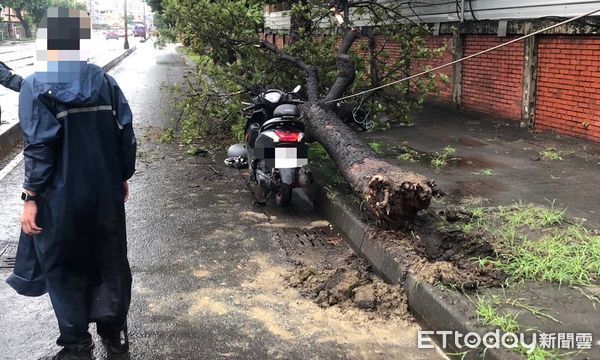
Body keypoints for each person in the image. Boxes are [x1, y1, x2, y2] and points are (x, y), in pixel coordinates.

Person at [5, 8, 137, 360]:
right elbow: (126, 133)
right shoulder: (104, 81)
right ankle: (114, 335)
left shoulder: (37, 86)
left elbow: (39, 147)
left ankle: (78, 346)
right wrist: (122, 175)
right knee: (109, 261)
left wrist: (30, 197)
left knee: (64, 268)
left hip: (59, 201)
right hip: (104, 195)